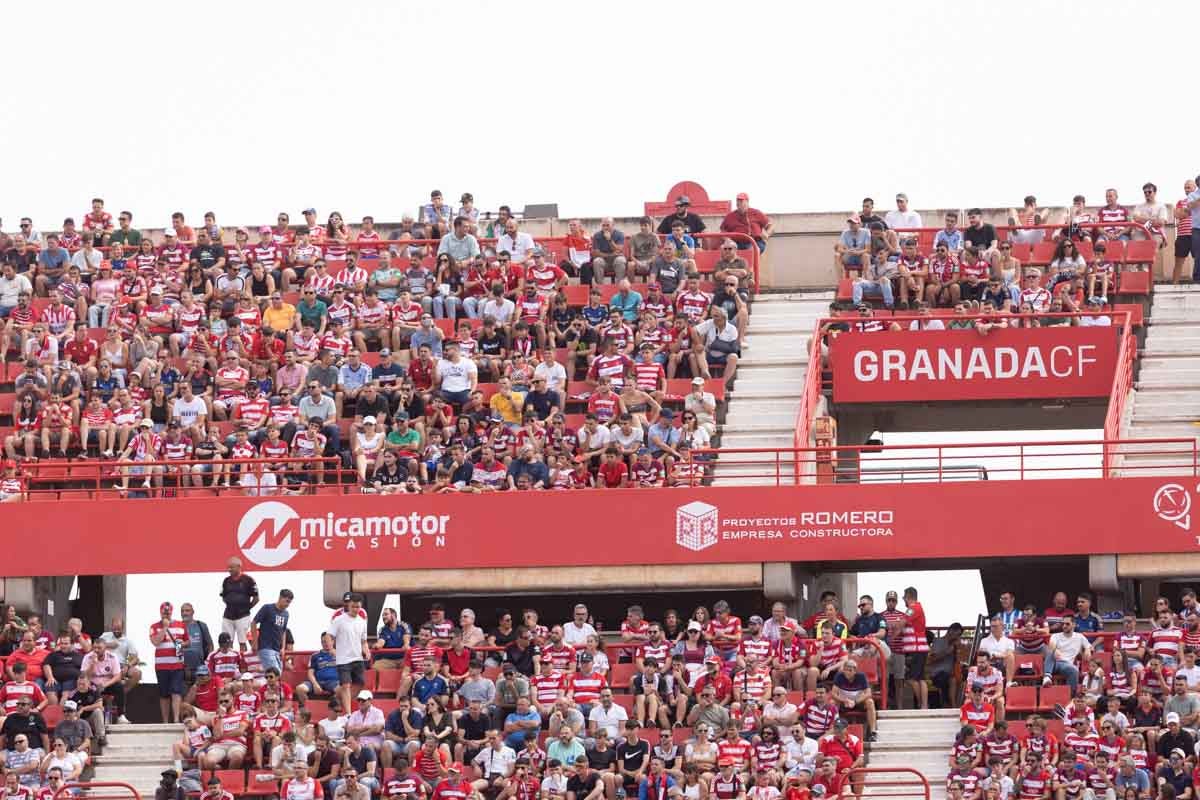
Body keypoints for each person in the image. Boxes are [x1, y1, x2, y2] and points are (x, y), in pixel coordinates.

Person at [252, 589, 294, 675]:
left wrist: (282, 647)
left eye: (289, 602)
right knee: (275, 674)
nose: (287, 604)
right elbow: (254, 623)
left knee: (275, 676)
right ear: (280, 597)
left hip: (277, 650)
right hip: (265, 647)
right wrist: (255, 642)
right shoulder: (267, 608)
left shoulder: (286, 614)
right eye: (286, 601)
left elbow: (284, 631)